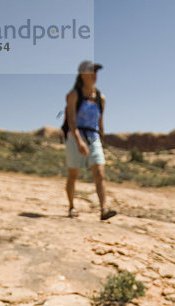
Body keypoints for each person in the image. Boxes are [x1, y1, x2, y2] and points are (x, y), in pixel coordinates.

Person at [64, 60, 116, 220]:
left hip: (93, 138)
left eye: (96, 72)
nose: (94, 75)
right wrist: (79, 141)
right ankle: (72, 207)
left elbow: (100, 121)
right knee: (73, 174)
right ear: (82, 74)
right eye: (91, 71)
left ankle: (103, 209)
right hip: (75, 137)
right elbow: (71, 121)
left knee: (99, 173)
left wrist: (102, 138)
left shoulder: (101, 97)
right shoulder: (74, 95)